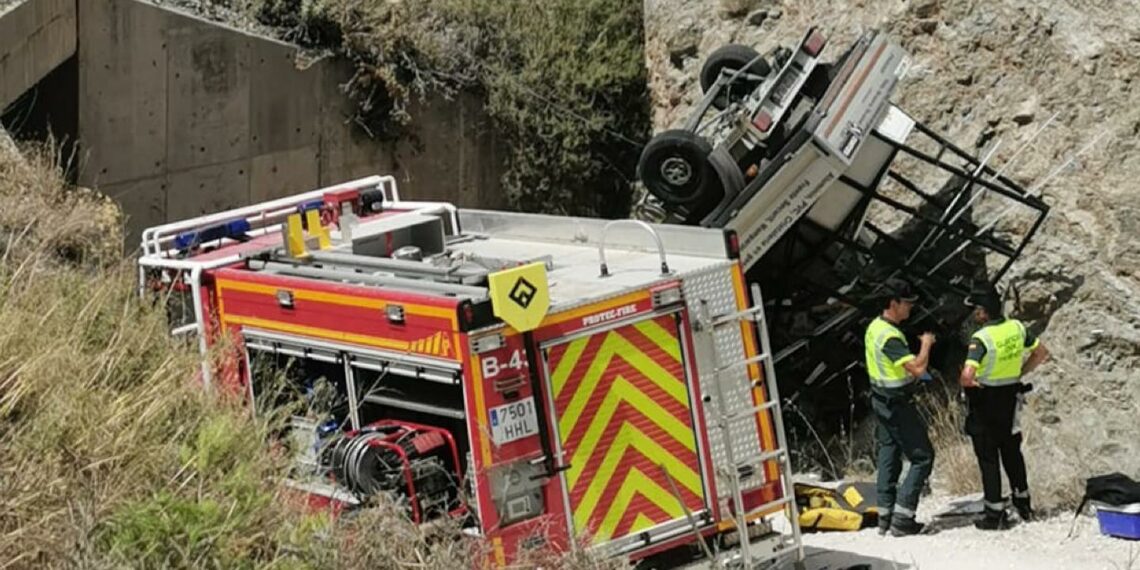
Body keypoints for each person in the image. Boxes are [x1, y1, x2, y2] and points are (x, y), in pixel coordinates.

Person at [959, 283, 1050, 530]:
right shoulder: (1017, 328)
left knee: (988, 457)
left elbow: (967, 376)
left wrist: (970, 383)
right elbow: (1041, 353)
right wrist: (1020, 372)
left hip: (985, 402)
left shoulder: (981, 338)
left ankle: (994, 514)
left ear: (982, 312)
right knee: (1012, 451)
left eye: (975, 310)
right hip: (1011, 398)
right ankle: (1023, 503)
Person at [864, 278, 937, 536]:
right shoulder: (891, 336)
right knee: (922, 456)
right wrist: (926, 344)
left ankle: (884, 517)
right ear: (893, 303)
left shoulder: (874, 327)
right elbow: (917, 369)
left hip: (881, 399)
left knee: (889, 453)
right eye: (907, 303)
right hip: (896, 402)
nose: (910, 308)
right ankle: (903, 518)